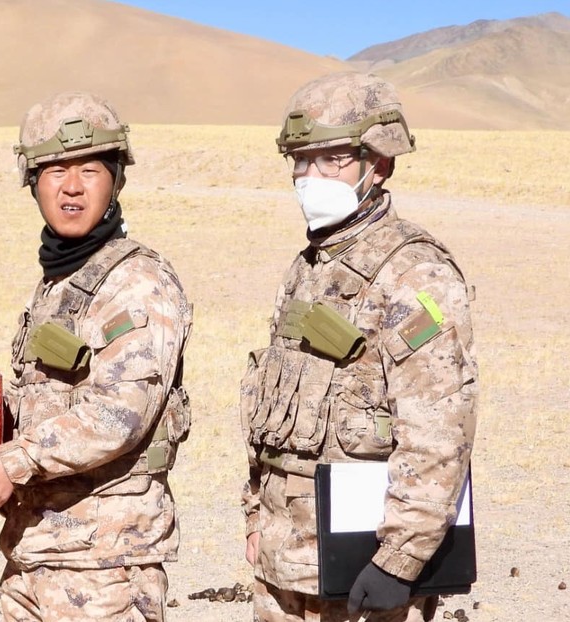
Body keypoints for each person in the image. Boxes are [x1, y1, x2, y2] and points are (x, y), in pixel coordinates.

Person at [0, 91, 194, 621]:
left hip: (104, 564)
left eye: (89, 170)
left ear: (117, 179)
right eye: (54, 170)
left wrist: (12, 462)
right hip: (38, 549)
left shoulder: (136, 282)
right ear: (33, 184)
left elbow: (120, 413)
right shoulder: (61, 283)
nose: (72, 187)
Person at [240, 72, 478, 622]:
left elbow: (439, 430)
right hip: (282, 568)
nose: (309, 176)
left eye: (332, 160)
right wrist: (255, 521)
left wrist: (400, 560)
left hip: (363, 574)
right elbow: (272, 410)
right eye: (301, 160)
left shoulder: (414, 272)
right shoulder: (307, 270)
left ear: (381, 163)